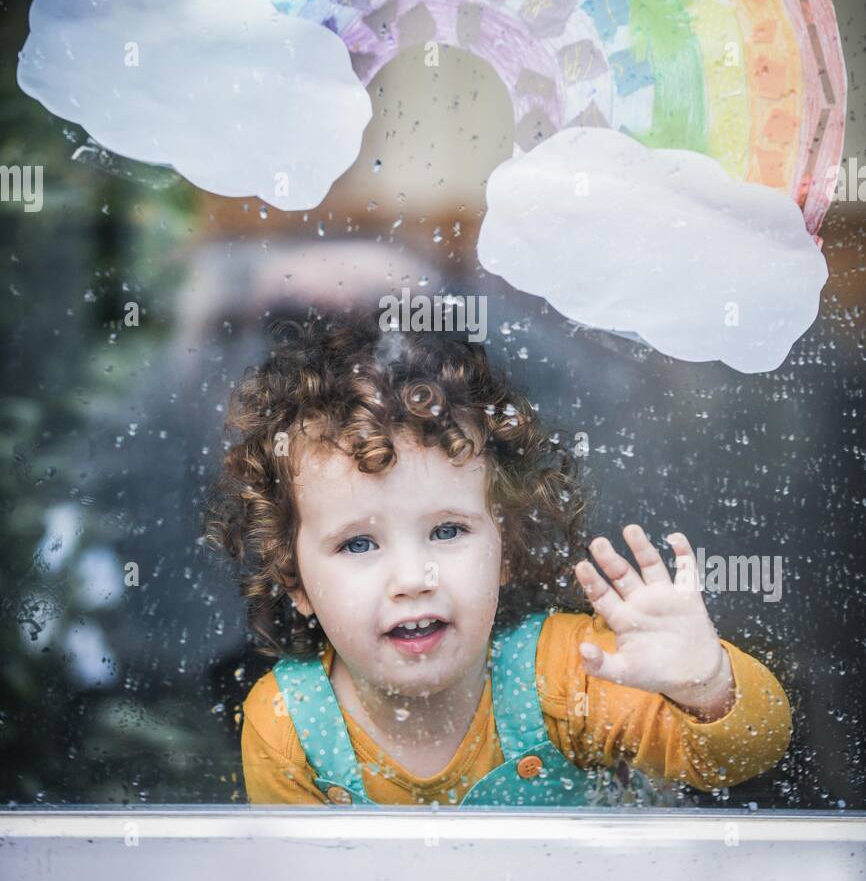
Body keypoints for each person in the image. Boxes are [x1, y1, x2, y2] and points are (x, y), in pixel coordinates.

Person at [205, 307, 792, 807]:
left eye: (448, 531)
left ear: (504, 546)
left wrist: (706, 684)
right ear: (295, 578)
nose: (414, 578)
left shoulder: (567, 673)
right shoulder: (289, 726)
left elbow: (739, 759)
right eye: (358, 543)